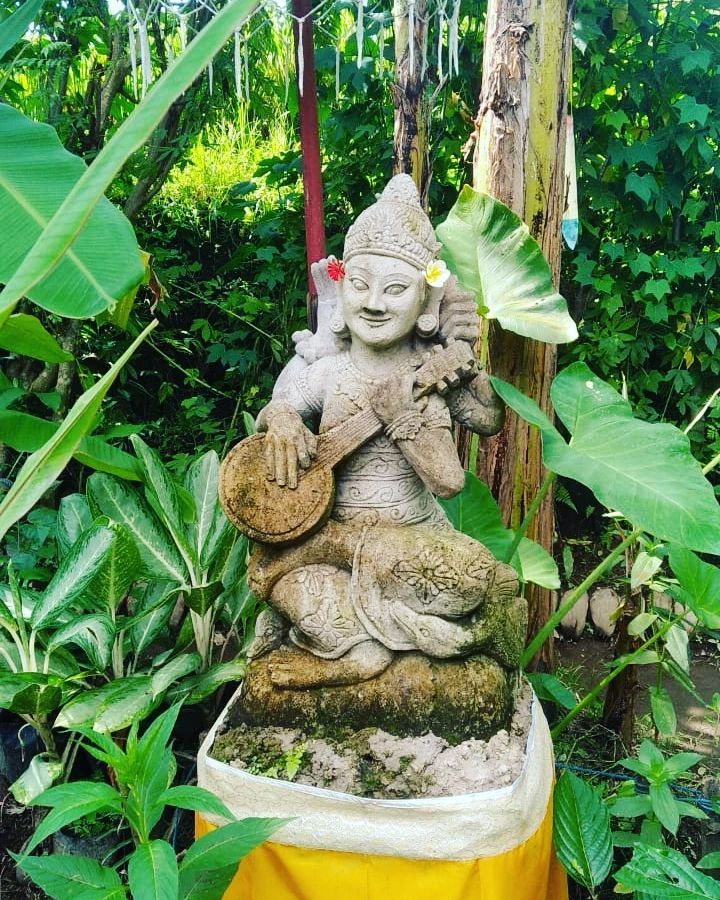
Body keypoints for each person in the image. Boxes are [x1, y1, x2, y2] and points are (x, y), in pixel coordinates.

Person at [246, 175, 526, 688]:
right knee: (284, 585)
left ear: (425, 302)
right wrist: (282, 420)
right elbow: (280, 404)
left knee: (462, 577)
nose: (374, 303)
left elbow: (469, 449)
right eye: (360, 285)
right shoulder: (330, 372)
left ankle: (367, 639)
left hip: (411, 542)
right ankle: (369, 649)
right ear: (340, 288)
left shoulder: (430, 372)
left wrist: (425, 395)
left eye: (395, 289)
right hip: (333, 543)